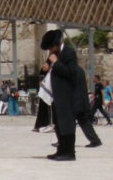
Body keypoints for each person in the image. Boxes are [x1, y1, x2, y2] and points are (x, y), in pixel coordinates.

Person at [43, 30, 99, 161]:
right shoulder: (54, 54)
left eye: (51, 47)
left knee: (67, 125)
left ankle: (69, 152)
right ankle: (61, 150)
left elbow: (71, 73)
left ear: (58, 44)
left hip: (67, 96)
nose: (50, 50)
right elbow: (50, 68)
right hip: (56, 96)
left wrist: (56, 63)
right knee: (58, 124)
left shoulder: (69, 53)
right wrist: (46, 67)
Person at [33, 58, 53, 132]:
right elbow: (42, 75)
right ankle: (39, 125)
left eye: (46, 64)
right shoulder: (44, 72)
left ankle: (49, 125)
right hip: (44, 93)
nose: (44, 65)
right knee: (42, 110)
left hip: (50, 93)